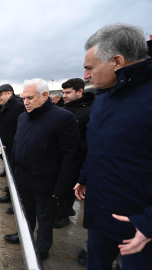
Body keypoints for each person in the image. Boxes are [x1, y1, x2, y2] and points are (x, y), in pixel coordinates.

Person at [74, 23, 152, 269]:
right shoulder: (103, 99)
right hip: (101, 217)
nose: (86, 76)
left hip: (145, 231)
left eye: (89, 68)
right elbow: (98, 146)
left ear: (117, 62)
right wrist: (85, 176)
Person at [5, 78, 82, 262]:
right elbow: (17, 146)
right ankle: (24, 236)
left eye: (30, 98)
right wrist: (15, 175)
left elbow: (72, 156)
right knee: (25, 213)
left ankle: (42, 249)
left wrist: (61, 189)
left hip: (46, 182)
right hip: (23, 178)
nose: (25, 102)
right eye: (24, 98)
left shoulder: (63, 118)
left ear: (45, 95)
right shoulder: (23, 117)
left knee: (45, 219)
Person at [53, 78, 95, 230]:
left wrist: (77, 148)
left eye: (68, 92)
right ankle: (65, 209)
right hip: (63, 155)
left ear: (80, 91)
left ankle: (63, 216)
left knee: (71, 185)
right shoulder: (63, 108)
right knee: (64, 183)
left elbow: (93, 136)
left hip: (81, 156)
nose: (64, 95)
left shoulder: (91, 110)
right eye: (63, 92)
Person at [0, 84, 24, 207]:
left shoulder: (18, 108)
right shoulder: (3, 108)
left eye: (0, 95)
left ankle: (16, 203)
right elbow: (4, 124)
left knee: (16, 176)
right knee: (11, 174)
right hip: (8, 147)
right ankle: (11, 194)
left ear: (9, 93)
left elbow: (20, 129)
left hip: (15, 148)